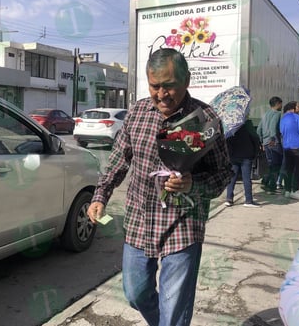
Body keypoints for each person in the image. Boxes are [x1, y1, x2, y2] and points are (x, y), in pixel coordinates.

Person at [86, 48, 233, 326]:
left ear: (186, 81)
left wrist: (193, 183)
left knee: (174, 310)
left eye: (169, 86)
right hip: (140, 223)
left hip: (183, 226)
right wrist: (101, 195)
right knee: (135, 292)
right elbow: (118, 162)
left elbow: (223, 173)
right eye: (155, 86)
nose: (162, 94)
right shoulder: (137, 114)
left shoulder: (205, 118)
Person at [225, 118, 261, 207]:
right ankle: (248, 200)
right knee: (246, 178)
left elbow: (227, 140)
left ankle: (229, 199)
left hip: (234, 155)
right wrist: (255, 152)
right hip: (246, 154)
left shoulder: (231, 125)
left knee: (232, 177)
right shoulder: (247, 124)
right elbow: (255, 138)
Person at [280, 101, 299, 201]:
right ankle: (295, 190)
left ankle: (287, 190)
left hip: (287, 147)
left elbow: (282, 131)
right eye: (297, 106)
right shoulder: (296, 117)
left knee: (289, 169)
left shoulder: (283, 118)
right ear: (293, 108)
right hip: (298, 147)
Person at [257, 96, 283, 194]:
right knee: (276, 165)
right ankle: (271, 187)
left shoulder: (265, 114)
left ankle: (265, 182)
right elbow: (273, 128)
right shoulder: (277, 114)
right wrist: (273, 139)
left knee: (270, 163)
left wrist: (261, 141)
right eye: (281, 104)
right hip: (273, 142)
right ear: (277, 104)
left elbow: (258, 129)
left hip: (266, 142)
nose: (281, 106)